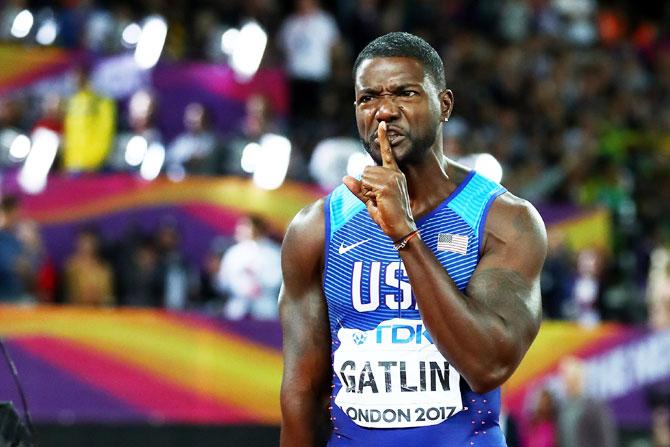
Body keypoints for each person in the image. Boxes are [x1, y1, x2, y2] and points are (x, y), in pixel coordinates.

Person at [279, 32, 547, 446]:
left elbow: (488, 365)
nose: (384, 111)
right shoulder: (315, 228)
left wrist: (405, 233)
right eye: (368, 98)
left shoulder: (504, 220)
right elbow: (301, 396)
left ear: (444, 105)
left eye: (405, 93)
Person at [216, 215, 282, 320]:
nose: (241, 230)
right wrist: (241, 287)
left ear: (257, 228)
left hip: (265, 305)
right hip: (238, 306)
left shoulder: (274, 252)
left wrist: (259, 281)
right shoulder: (234, 252)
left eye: (246, 226)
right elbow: (223, 281)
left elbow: (278, 280)